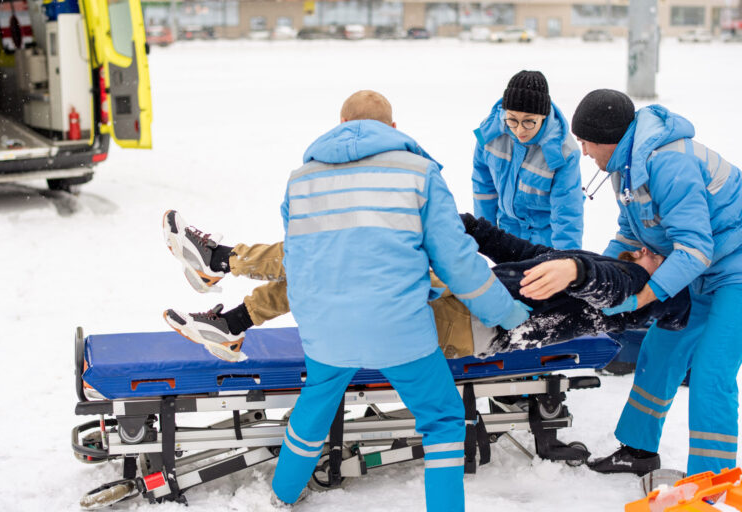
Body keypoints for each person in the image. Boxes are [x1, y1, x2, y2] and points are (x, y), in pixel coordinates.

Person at [168, 90, 530, 510]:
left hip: (326, 331)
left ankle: (283, 493)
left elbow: (300, 261)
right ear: (392, 130)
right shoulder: (419, 172)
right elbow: (457, 261)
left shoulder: (301, 180)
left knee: (315, 407)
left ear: (340, 126)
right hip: (400, 331)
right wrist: (506, 313)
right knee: (443, 419)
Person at [164, 211, 690, 362]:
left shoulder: (631, 297)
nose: (643, 248)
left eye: (656, 253)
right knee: (337, 262)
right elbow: (523, 254)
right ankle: (232, 315)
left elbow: (612, 289)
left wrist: (579, 270)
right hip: (464, 298)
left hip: (465, 321)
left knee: (346, 257)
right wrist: (462, 224)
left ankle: (223, 266)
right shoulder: (618, 274)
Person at [567, 89, 742, 477]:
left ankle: (710, 481)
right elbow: (630, 235)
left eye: (585, 142)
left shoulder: (670, 165)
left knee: (712, 372)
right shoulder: (627, 166)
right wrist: (595, 275)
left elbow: (695, 248)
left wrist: (641, 297)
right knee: (659, 352)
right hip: (699, 269)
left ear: (607, 139)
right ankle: (638, 450)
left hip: (734, 270)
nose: (583, 152)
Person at [472, 70, 584, 249]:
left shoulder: (563, 153)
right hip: (507, 234)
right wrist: (485, 236)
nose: (519, 130)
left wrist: (565, 260)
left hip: (544, 241)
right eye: (512, 120)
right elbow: (483, 188)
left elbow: (567, 214)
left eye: (529, 121)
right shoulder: (488, 134)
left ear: (543, 116)